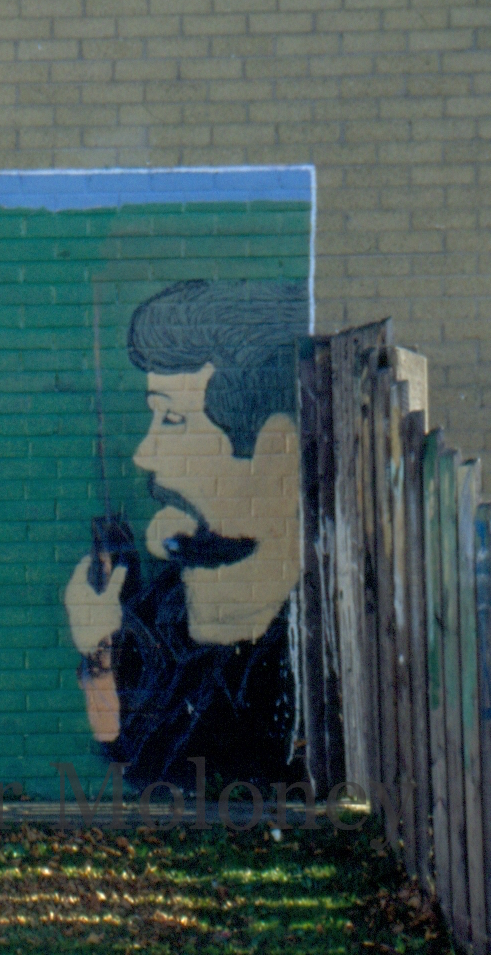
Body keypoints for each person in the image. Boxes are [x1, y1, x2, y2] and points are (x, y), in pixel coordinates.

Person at [62, 279, 306, 788]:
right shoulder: (168, 607)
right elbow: (124, 750)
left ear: (276, 453)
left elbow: (180, 781)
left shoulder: (306, 654)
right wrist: (99, 648)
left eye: (173, 419)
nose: (145, 454)